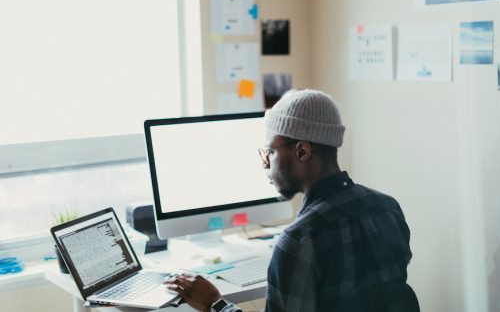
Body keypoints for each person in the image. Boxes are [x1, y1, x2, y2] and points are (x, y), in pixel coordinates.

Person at [165, 89, 414, 312]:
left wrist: (215, 303)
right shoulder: (387, 208)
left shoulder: (299, 241)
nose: (265, 164)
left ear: (302, 151)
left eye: (270, 152)